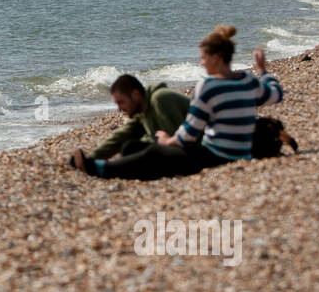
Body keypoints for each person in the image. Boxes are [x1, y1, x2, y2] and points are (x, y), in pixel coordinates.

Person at [70, 25, 283, 181]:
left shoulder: (208, 86)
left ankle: (99, 169)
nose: (201, 62)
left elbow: (190, 132)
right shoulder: (248, 81)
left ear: (217, 57)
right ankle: (101, 165)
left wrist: (165, 141)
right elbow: (276, 94)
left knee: (156, 152)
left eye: (203, 57)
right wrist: (263, 71)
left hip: (215, 155)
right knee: (141, 150)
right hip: (242, 153)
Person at [76, 75, 191, 162]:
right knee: (130, 148)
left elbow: (174, 137)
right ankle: (92, 165)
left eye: (121, 102)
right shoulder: (142, 110)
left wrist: (144, 142)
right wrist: (91, 157)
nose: (119, 109)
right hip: (181, 150)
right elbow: (121, 137)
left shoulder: (160, 98)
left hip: (200, 149)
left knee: (132, 149)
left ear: (135, 95)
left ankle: (100, 168)